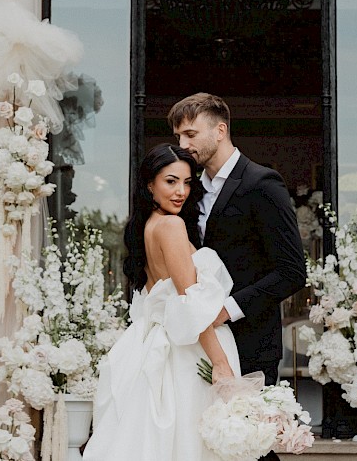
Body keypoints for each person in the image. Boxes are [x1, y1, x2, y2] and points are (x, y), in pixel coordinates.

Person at [83, 144, 242, 461]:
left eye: (186, 182)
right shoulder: (171, 226)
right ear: (149, 185)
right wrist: (221, 363)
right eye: (171, 181)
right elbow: (190, 305)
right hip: (188, 349)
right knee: (191, 441)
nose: (181, 191)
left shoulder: (148, 225)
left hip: (158, 342)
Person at [168, 92, 306, 392]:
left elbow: (292, 271)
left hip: (252, 344)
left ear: (220, 131)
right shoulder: (187, 190)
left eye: (191, 134)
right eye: (178, 136)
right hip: (196, 345)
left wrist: (225, 310)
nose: (182, 146)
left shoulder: (262, 184)